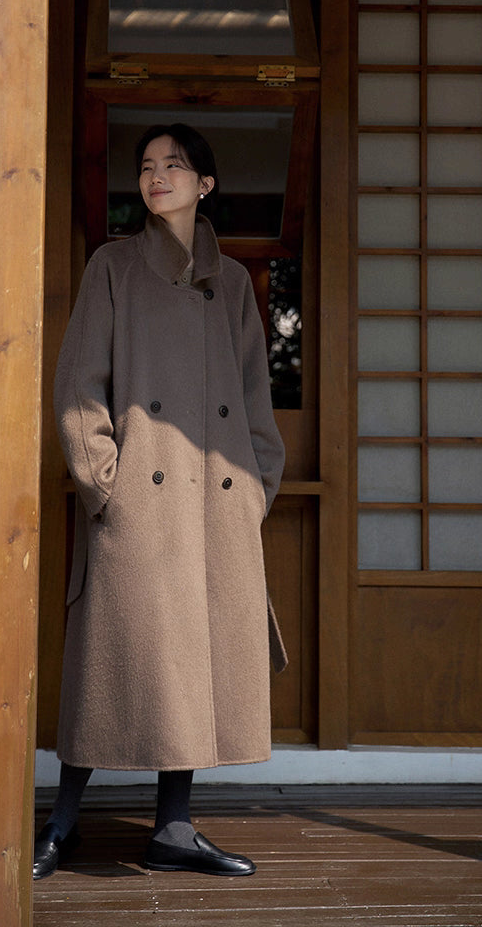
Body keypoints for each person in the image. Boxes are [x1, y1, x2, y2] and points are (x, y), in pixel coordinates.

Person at [33, 122, 287, 880]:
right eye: (147, 166)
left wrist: (256, 487)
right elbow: (79, 385)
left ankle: (174, 827)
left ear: (204, 184)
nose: (158, 176)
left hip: (216, 502)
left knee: (194, 665)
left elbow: (254, 396)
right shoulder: (112, 266)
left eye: (174, 165)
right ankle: (63, 823)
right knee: (108, 666)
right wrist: (103, 485)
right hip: (137, 503)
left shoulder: (232, 282)